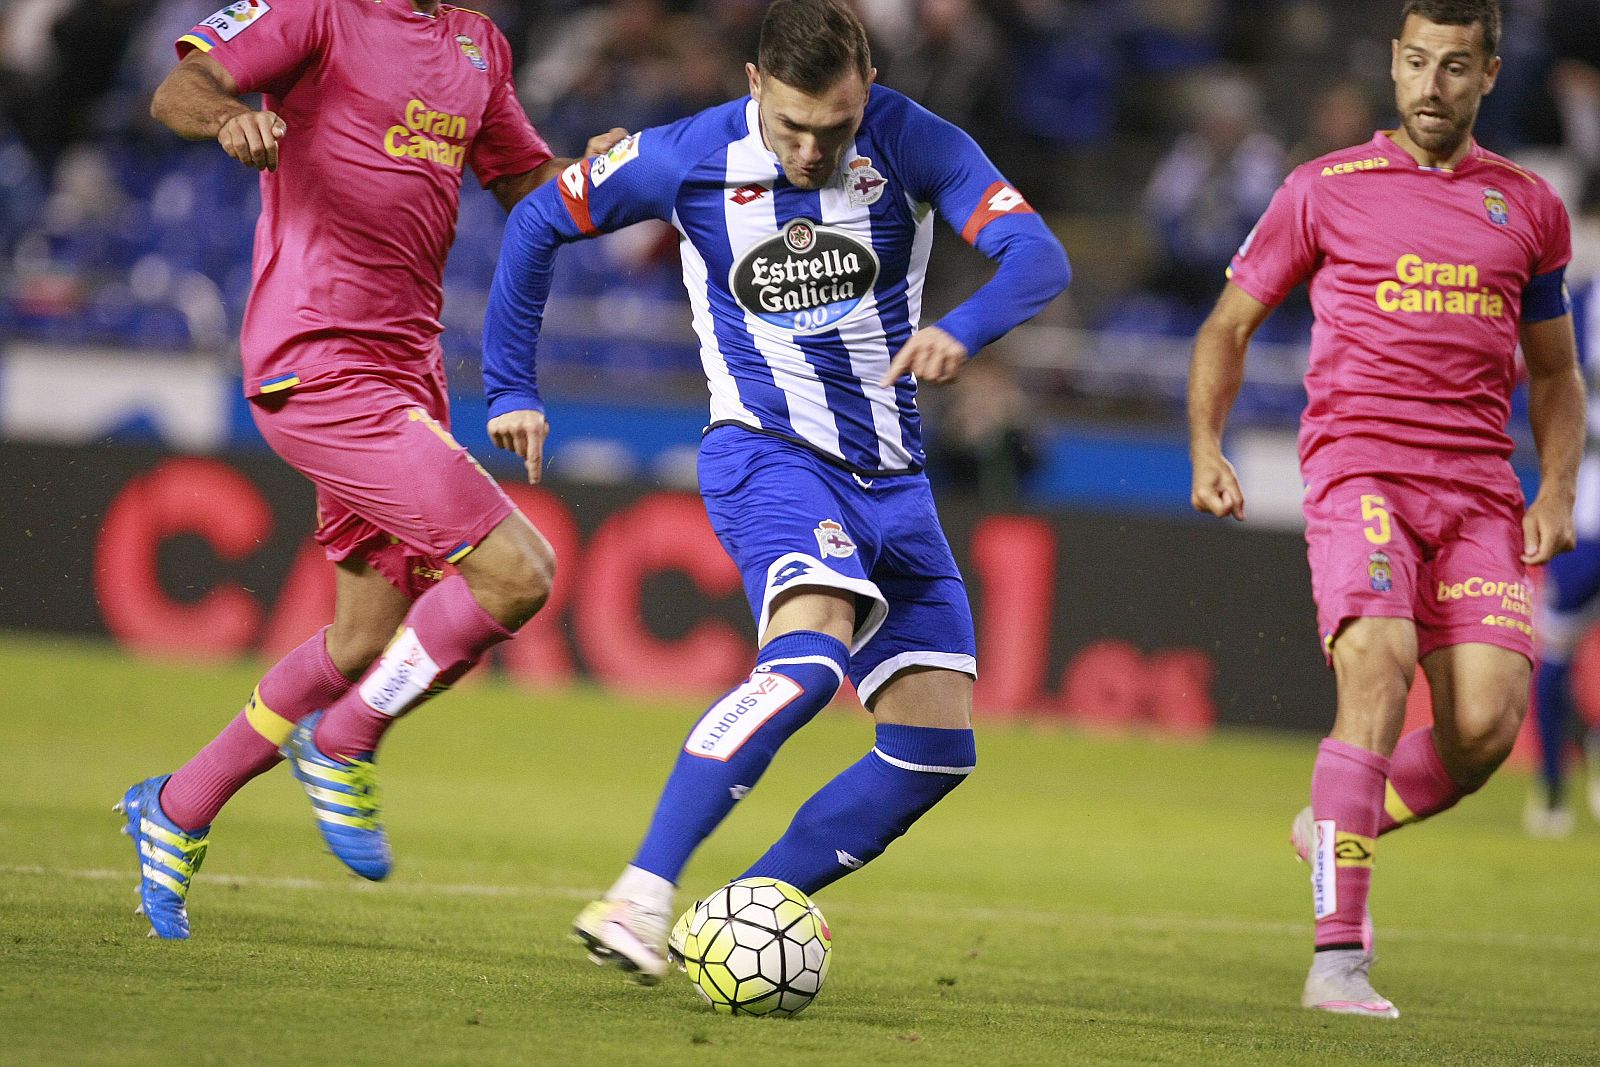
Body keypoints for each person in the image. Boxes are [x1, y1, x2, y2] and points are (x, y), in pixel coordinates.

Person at [482, 0, 1069, 983]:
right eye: (791, 125)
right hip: (768, 454)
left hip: (896, 479)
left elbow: (1038, 257)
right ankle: (639, 889)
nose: (809, 148)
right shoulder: (681, 155)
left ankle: (730, 914)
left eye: (833, 127)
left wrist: (963, 330)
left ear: (866, 87)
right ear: (754, 84)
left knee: (933, 747)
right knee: (804, 665)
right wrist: (509, 384)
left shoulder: (915, 140)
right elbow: (541, 218)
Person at [117, 0, 624, 940]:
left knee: (360, 639)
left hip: (407, 368)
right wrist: (229, 116)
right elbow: (176, 87)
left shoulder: (479, 42)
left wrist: (605, 176)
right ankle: (348, 739)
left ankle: (178, 804)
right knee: (517, 572)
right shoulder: (319, 13)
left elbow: (526, 182)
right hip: (318, 354)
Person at [1188, 0, 1583, 1018]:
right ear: (1393, 64)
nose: (1433, 85)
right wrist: (1206, 443)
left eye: (1456, 66)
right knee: (1377, 665)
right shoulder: (1324, 189)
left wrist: (1554, 488)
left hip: (1479, 495)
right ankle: (1338, 956)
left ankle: (1332, 817)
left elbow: (1553, 374)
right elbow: (1227, 326)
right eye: (1417, 62)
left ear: (1488, 73)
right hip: (1361, 472)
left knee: (1487, 728)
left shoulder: (1530, 208)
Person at [1527, 276, 1600, 837]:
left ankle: (1557, 789)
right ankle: (1555, 784)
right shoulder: (1581, 299)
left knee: (1554, 650)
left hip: (1588, 516)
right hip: (1587, 514)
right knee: (1552, 648)